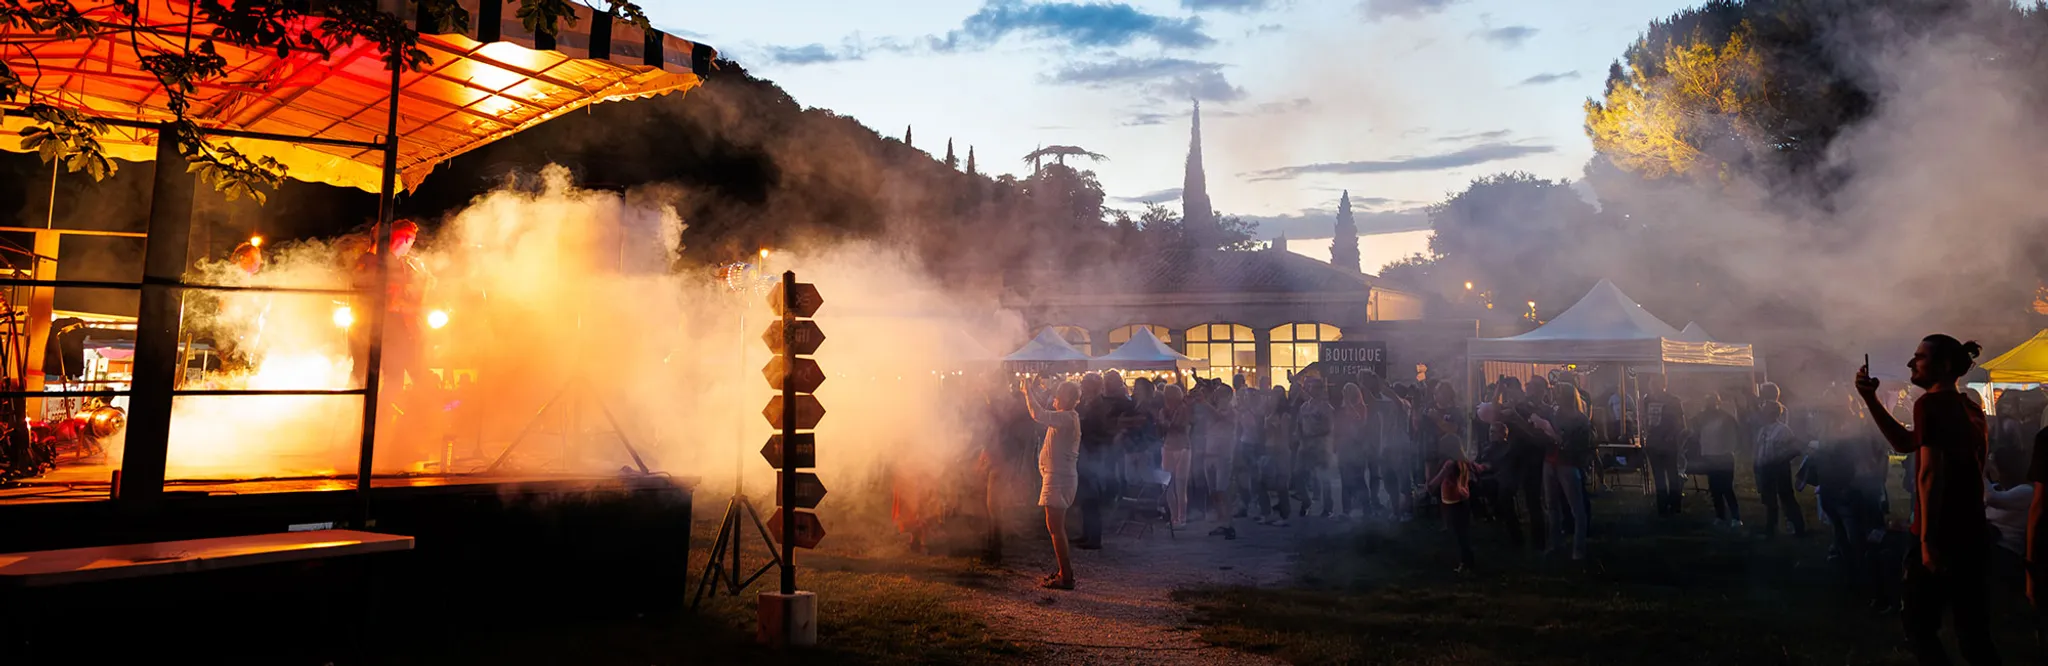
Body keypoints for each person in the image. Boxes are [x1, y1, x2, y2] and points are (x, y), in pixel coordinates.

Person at [1857, 334, 2000, 666]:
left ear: (1944, 365)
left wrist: (1926, 541)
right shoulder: (1969, 407)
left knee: (1919, 627)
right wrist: (1871, 399)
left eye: (1919, 357)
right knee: (1974, 634)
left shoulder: (1930, 405)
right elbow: (1906, 443)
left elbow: (1929, 474)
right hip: (1973, 532)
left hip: (1941, 532)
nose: (1911, 363)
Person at [1022, 378, 1082, 591]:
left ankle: (1066, 577)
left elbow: (1038, 414)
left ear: (1066, 398)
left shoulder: (1066, 417)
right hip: (1059, 477)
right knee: (1056, 528)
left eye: (1058, 395)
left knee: (1056, 529)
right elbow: (1044, 411)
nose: (1054, 399)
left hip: (1058, 479)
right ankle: (1064, 573)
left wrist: (1028, 392)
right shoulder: (1066, 417)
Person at [1076, 371, 1135, 550]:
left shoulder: (1100, 406)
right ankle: (1087, 533)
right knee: (1085, 497)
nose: (1084, 388)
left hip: (1095, 453)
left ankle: (1094, 538)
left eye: (1086, 385)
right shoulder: (1086, 404)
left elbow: (1105, 430)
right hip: (1085, 451)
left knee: (1092, 497)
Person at [1421, 434, 1484, 573]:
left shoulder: (1449, 464)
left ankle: (1465, 564)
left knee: (1459, 535)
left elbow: (1432, 486)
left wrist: (1428, 478)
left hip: (1453, 503)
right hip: (1464, 500)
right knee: (1464, 533)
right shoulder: (1465, 461)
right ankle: (1468, 561)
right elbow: (1480, 469)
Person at [1547, 383, 1592, 560]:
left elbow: (1581, 445)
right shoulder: (1555, 414)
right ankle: (1556, 544)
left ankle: (1578, 549)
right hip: (1551, 461)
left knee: (1577, 508)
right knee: (1552, 506)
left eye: (1558, 393)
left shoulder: (1579, 419)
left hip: (1567, 464)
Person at [1640, 374, 1688, 516]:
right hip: (1654, 443)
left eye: (1655, 383)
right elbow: (1646, 419)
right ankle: (1662, 505)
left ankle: (1674, 504)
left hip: (1668, 444)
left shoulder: (1673, 401)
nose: (1653, 386)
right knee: (1659, 476)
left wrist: (1673, 435)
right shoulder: (1647, 400)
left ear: (1663, 384)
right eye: (1651, 383)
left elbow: (1680, 422)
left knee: (1672, 475)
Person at [1695, 393, 1744, 529]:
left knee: (1726, 488)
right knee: (1715, 489)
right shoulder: (1703, 418)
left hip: (1724, 456)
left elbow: (1737, 433)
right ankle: (1721, 516)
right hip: (1712, 456)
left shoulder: (1725, 418)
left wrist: (1734, 446)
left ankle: (1735, 517)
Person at [1297, 377, 1339, 519]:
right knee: (1298, 475)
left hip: (1321, 446)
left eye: (1315, 388)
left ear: (1321, 390)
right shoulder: (1304, 407)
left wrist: (1314, 435)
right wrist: (1301, 437)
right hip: (1305, 446)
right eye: (1310, 387)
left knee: (1323, 477)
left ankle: (1328, 508)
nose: (1312, 390)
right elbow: (1299, 424)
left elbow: (1330, 427)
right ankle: (1306, 501)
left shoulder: (1326, 408)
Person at [1205, 385, 1241, 540]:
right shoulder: (1212, 411)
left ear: (1227, 396)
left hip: (1223, 456)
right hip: (1210, 455)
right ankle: (1221, 522)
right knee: (1213, 492)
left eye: (1220, 393)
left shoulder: (1232, 412)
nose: (1216, 395)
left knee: (1222, 491)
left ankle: (1229, 524)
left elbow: (1221, 417)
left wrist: (1204, 403)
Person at [1257, 390, 1295, 526]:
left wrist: (1275, 428)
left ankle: (1285, 516)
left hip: (1280, 450)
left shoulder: (1284, 415)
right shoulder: (1269, 413)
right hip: (1269, 449)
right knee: (1261, 482)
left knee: (1281, 485)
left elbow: (1285, 435)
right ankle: (1267, 513)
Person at [1160, 384, 1194, 529]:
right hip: (1168, 446)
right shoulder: (1164, 410)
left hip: (1182, 447)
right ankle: (1174, 517)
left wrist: (1166, 422)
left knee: (1180, 485)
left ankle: (1182, 518)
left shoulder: (1184, 409)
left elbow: (1180, 426)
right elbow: (1164, 427)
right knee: (1167, 485)